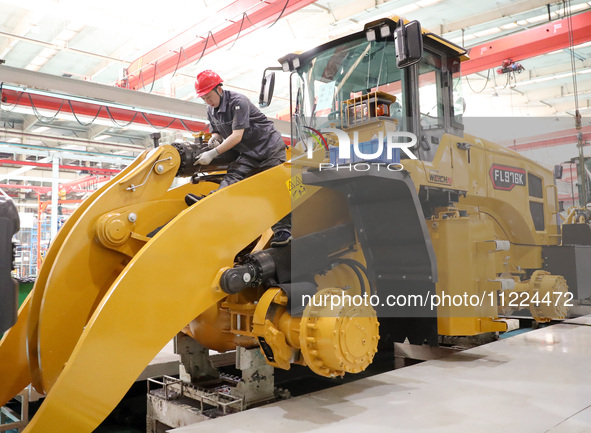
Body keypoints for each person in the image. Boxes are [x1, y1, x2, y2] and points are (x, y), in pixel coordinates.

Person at [190, 70, 292, 247]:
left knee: (274, 187)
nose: (207, 101)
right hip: (248, 151)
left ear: (219, 89)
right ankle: (212, 202)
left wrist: (213, 153)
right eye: (203, 98)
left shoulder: (239, 102)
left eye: (208, 96)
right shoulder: (211, 110)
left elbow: (237, 136)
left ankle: (283, 231)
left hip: (269, 147)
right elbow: (216, 129)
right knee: (233, 174)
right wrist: (215, 137)